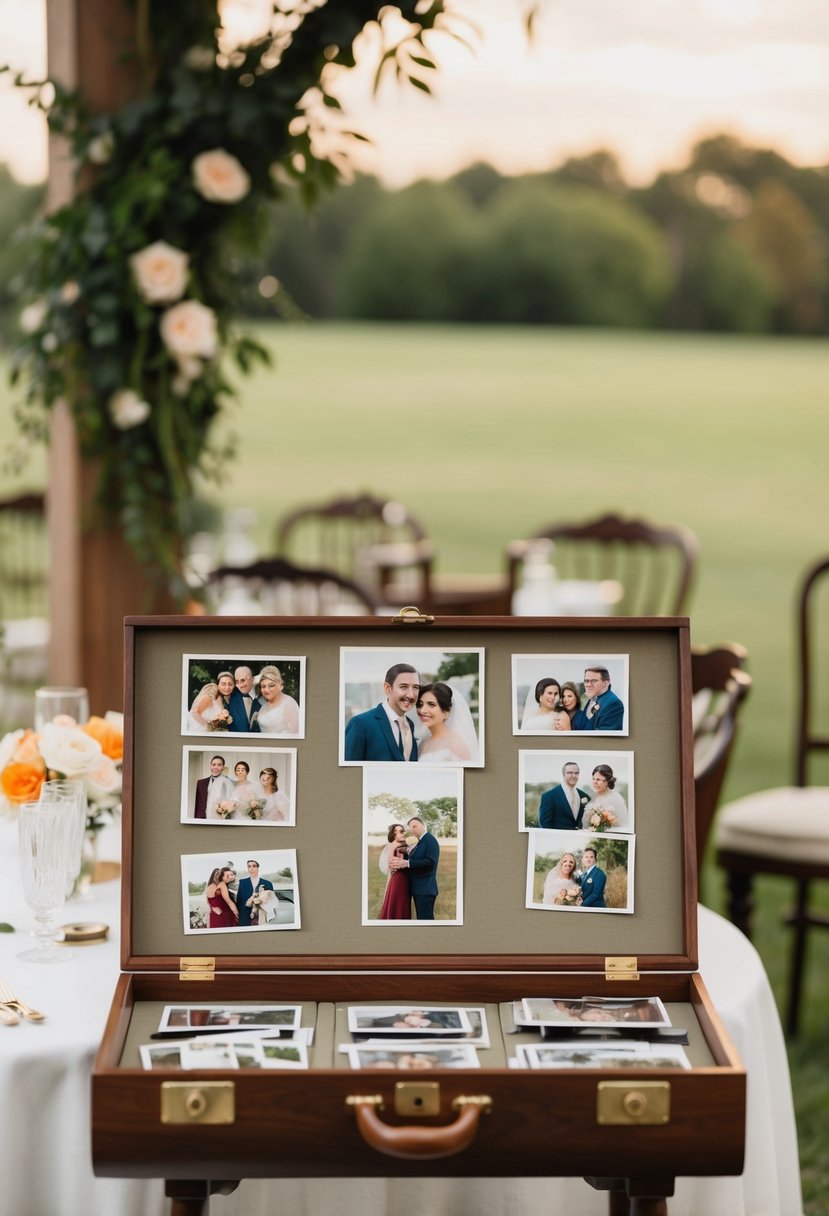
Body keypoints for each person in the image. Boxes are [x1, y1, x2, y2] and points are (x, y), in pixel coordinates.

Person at [344, 663, 420, 762]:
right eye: (404, 687)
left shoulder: (410, 725)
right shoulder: (360, 724)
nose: (411, 695)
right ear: (388, 688)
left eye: (416, 687)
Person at [388, 815, 439, 919]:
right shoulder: (421, 841)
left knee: (425, 920)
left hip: (425, 889)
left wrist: (407, 863)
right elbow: (419, 856)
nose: (412, 829)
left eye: (415, 826)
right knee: (421, 918)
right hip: (419, 889)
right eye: (411, 827)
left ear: (423, 826)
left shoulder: (429, 840)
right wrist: (406, 850)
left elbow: (430, 862)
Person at [416, 681, 478, 764]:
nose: (423, 710)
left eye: (431, 705)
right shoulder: (422, 743)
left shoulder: (456, 744)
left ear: (446, 713)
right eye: (420, 704)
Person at [538, 761, 592, 829]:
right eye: (570, 773)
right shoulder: (549, 796)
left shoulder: (585, 796)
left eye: (576, 773)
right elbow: (544, 825)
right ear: (563, 774)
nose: (574, 776)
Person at [254, 664, 300, 735]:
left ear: (281, 686)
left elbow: (296, 735)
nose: (266, 690)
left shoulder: (288, 704)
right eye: (263, 686)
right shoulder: (264, 706)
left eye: (271, 685)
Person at [378, 823, 411, 919]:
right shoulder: (393, 845)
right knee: (398, 904)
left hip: (406, 878)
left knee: (404, 904)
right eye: (399, 832)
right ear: (394, 834)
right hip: (398, 880)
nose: (402, 834)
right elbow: (391, 866)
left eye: (403, 831)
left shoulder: (406, 844)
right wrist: (401, 862)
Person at [582, 763, 629, 831]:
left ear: (606, 782)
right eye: (593, 779)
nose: (594, 782)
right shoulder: (591, 797)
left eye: (598, 780)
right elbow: (585, 824)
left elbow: (624, 824)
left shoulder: (616, 798)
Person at [580, 665, 625, 731]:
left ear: (605, 683)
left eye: (594, 681)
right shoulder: (592, 698)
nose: (588, 685)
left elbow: (604, 737)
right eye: (586, 681)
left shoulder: (614, 704)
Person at [235, 859, 276, 927]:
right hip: (245, 916)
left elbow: (271, 901)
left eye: (254, 866)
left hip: (261, 916)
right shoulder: (242, 882)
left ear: (258, 868)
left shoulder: (268, 884)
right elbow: (239, 901)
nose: (251, 868)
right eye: (249, 866)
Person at [193, 755, 234, 819]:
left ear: (223, 767)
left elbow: (231, 804)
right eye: (214, 764)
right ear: (210, 766)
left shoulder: (228, 782)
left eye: (219, 765)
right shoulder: (201, 783)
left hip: (221, 820)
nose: (216, 767)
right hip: (203, 820)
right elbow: (198, 806)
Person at [227, 666, 261, 733]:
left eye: (243, 680)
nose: (240, 685)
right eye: (237, 681)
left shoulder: (264, 693)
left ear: (252, 679)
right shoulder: (231, 695)